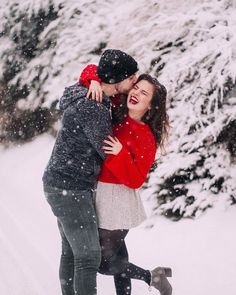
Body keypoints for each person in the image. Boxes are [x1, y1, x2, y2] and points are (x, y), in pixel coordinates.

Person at [42, 49, 139, 295]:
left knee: (72, 253)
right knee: (88, 257)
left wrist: (93, 77)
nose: (135, 82)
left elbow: (92, 70)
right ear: (117, 80)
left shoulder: (90, 93)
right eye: (132, 78)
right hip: (71, 188)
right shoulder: (93, 107)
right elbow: (109, 152)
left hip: (62, 183)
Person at [80, 69, 172, 295]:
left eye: (144, 94)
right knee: (118, 257)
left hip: (118, 199)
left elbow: (136, 180)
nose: (137, 94)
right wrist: (92, 80)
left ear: (150, 106)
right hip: (100, 191)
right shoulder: (117, 108)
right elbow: (95, 68)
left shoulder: (146, 137)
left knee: (104, 262)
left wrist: (120, 153)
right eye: (136, 88)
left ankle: (152, 277)